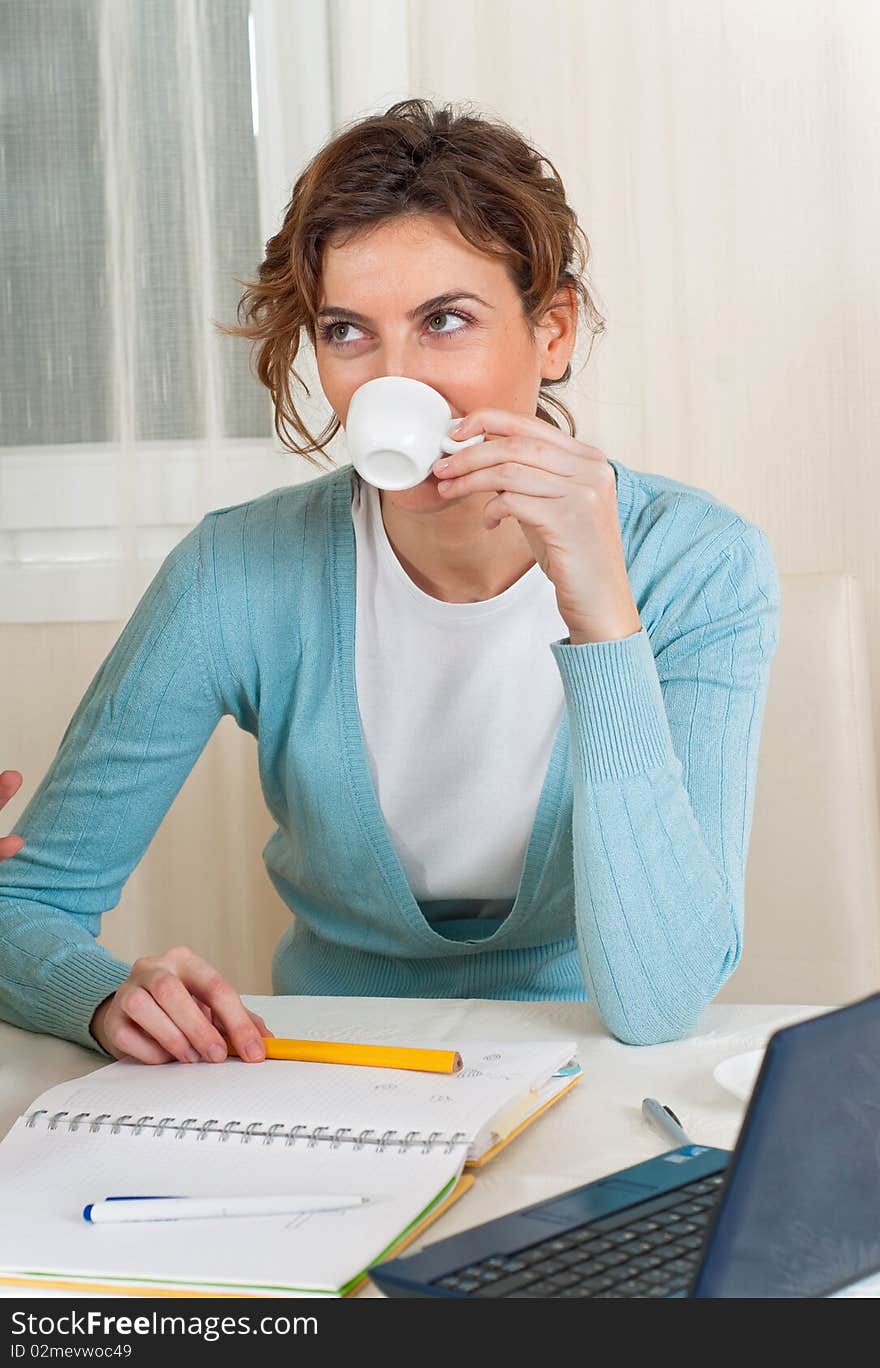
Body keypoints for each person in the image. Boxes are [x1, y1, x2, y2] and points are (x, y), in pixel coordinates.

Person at [0, 98, 780, 1065]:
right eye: (347, 332)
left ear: (554, 332)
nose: (390, 384)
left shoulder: (696, 566)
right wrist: (100, 993)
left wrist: (601, 621)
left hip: (598, 1070)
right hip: (334, 1077)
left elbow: (659, 1003)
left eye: (445, 321)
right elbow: (22, 902)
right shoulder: (239, 571)